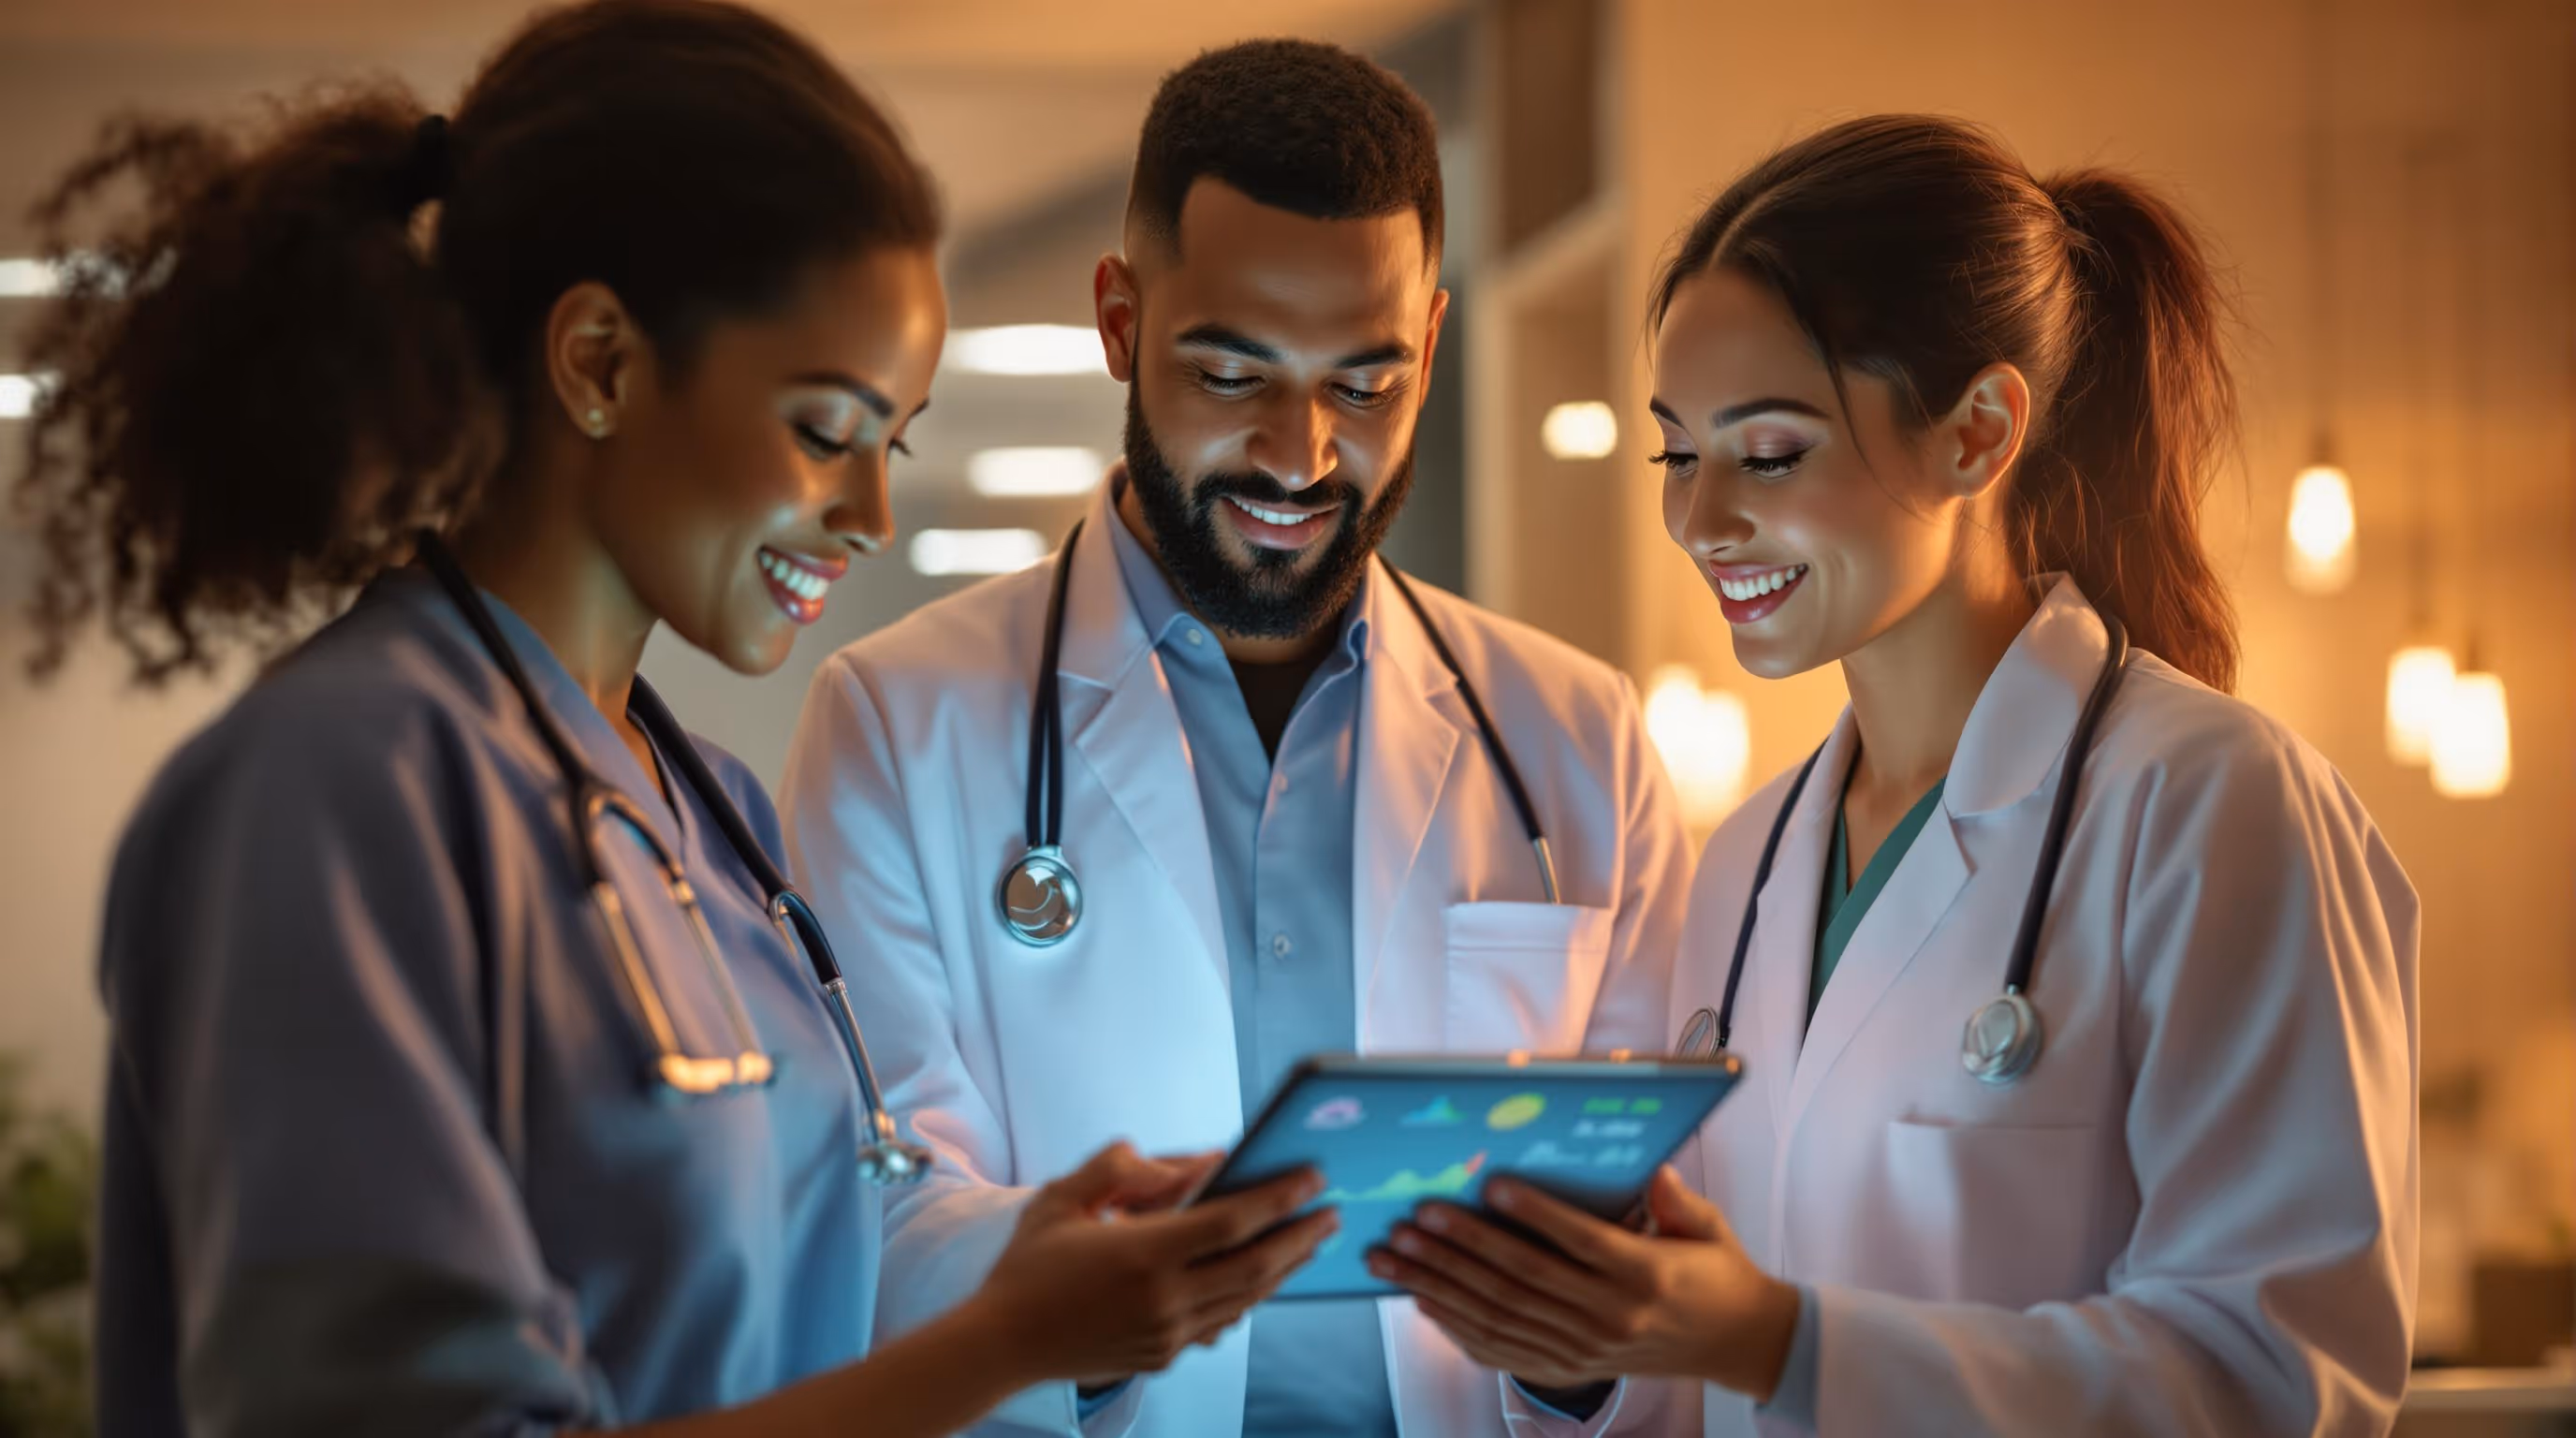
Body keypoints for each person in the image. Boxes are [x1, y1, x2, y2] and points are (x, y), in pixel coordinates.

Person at [20, 3, 1333, 1432]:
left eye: (891, 446)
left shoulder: (711, 816)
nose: (871, 515)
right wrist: (1006, 1344)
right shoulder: (332, 791)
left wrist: (1026, 1262)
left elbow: (786, 1287)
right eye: (825, 432)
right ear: (598, 361)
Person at [1367, 114, 2420, 1436]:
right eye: (1678, 453)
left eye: (1769, 453)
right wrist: (1580, 1354)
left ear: (1977, 433)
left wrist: (1781, 1340)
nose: (1699, 520)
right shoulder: (1745, 865)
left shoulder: (2212, 806)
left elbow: (2278, 1382)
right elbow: (1704, 1387)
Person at [779, 37, 1691, 1438]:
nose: (1298, 454)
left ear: (1431, 345)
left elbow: (1671, 1253)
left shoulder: (1578, 737)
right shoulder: (897, 724)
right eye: (1231, 373)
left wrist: (1583, 1355)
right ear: (1120, 322)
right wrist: (1072, 1307)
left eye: (1365, 386)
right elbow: (873, 1204)